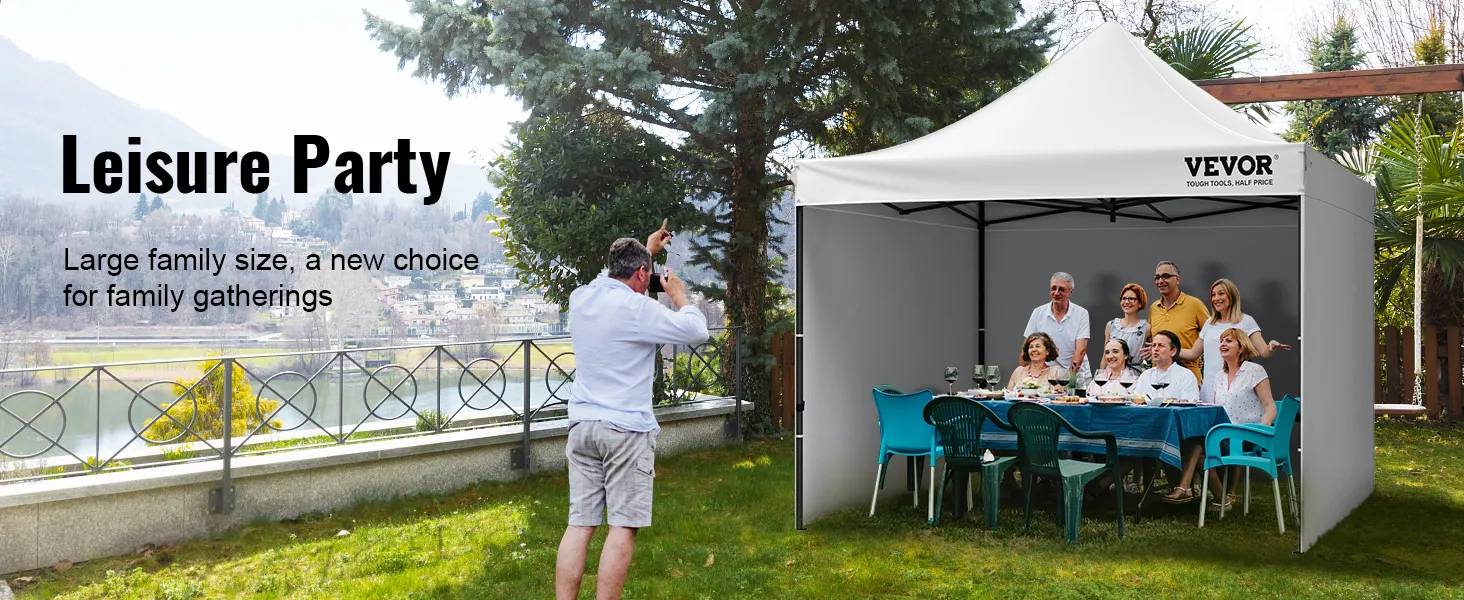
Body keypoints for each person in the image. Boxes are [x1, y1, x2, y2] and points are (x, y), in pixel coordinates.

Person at [556, 220, 710, 600]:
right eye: (648, 274)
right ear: (641, 274)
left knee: (580, 524)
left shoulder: (582, 297)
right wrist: (679, 295)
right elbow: (697, 332)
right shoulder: (638, 309)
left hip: (582, 426)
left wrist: (646, 252)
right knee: (622, 526)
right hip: (625, 430)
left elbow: (610, 277)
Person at [1162, 328, 1277, 508]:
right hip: (1225, 435)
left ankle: (1189, 489)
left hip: (1249, 435)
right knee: (1196, 444)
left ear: (1241, 347)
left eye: (1228, 341)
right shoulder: (1219, 376)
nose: (1222, 344)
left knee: (1198, 443)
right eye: (1221, 341)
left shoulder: (1254, 370)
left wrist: (1261, 432)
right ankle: (1221, 498)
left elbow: (1270, 406)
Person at [1176, 278, 1292, 404]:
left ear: (1231, 296)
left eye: (1221, 293)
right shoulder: (1209, 323)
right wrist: (1169, 350)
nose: (1216, 298)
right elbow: (1193, 353)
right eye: (1213, 295)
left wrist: (1271, 347)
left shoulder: (1245, 321)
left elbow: (1264, 352)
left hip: (1236, 390)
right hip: (1209, 389)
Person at [1143, 261, 1208, 383]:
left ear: (1177, 279)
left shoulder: (1195, 305)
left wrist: (1197, 356)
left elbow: (1211, 337)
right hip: (1157, 379)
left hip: (1188, 378)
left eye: (1166, 276)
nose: (1160, 281)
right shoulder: (1154, 308)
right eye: (1157, 277)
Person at [1023, 272, 1091, 378]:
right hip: (1047, 376)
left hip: (1077, 376)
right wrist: (1023, 377)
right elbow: (1026, 347)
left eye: (1061, 289)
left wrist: (1069, 379)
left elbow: (1080, 350)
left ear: (1070, 292)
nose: (1056, 293)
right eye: (1053, 288)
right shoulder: (1038, 312)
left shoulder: (1081, 313)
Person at [1131, 330, 1199, 401]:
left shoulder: (1186, 375)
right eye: (1154, 345)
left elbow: (1189, 405)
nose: (1156, 349)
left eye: (1161, 345)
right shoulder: (1146, 375)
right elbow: (1136, 401)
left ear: (1173, 351)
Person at [1105, 284, 1149, 370]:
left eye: (1131, 299)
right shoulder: (1111, 325)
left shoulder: (1146, 328)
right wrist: (1101, 373)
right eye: (1124, 298)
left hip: (1134, 375)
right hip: (1111, 373)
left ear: (1140, 303)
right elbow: (1105, 354)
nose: (1126, 302)